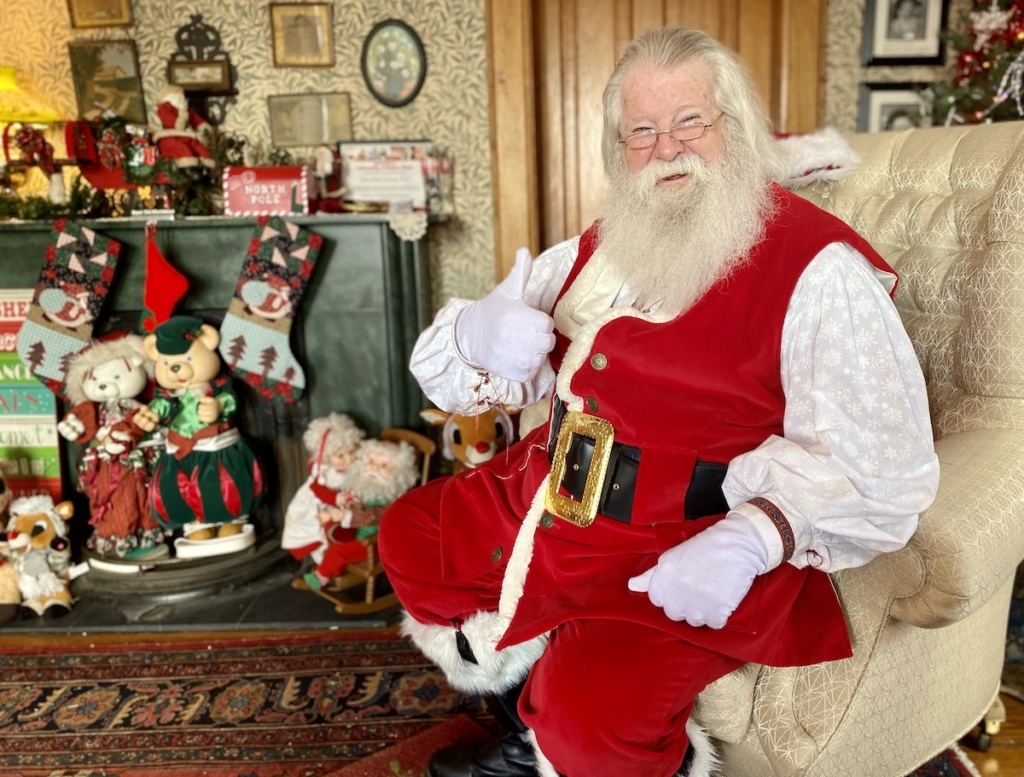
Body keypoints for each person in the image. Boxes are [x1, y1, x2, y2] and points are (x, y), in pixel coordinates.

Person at [378, 26, 939, 777]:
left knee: (594, 719)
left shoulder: (818, 266)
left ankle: (568, 742)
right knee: (413, 537)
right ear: (618, 151)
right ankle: (529, 731)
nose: (666, 149)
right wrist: (479, 336)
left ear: (734, 130)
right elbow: (455, 368)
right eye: (641, 132)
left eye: (688, 123)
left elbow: (882, 460)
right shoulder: (608, 243)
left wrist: (754, 537)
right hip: (553, 488)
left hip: (685, 537)